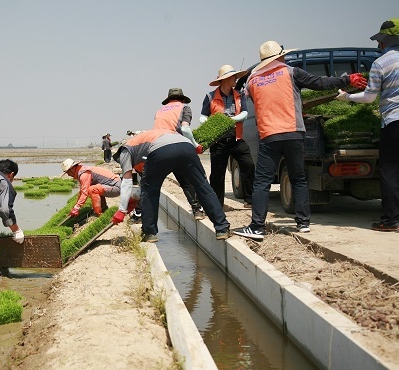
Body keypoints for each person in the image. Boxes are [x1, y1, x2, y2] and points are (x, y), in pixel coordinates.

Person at [233, 41, 368, 241]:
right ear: (279, 56)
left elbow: (259, 101)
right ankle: (303, 223)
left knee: (261, 182)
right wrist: (347, 79)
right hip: (294, 133)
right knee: (298, 178)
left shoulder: (252, 81)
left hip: (269, 135)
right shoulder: (292, 72)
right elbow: (320, 83)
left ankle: (257, 227)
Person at [335, 18, 399, 231]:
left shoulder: (381, 63)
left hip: (394, 122)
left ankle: (391, 220)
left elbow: (370, 98)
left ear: (385, 41)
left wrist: (347, 98)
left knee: (390, 170)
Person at [111, 128, 230, 242]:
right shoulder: (144, 142)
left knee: (150, 192)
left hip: (161, 151)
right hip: (186, 146)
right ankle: (222, 228)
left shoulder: (125, 151)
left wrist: (122, 209)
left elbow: (127, 182)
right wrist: (133, 199)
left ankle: (150, 233)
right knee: (203, 186)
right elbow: (144, 181)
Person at [200, 65, 255, 208]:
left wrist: (232, 120)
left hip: (236, 138)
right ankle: (216, 204)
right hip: (219, 141)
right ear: (224, 80)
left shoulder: (239, 94)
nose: (235, 79)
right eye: (233, 77)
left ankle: (249, 199)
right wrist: (213, 124)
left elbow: (244, 113)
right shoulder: (210, 96)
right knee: (217, 174)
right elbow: (203, 117)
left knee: (248, 164)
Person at [152, 88, 206, 220]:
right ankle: (197, 209)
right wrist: (195, 145)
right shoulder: (184, 107)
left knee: (152, 183)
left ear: (168, 100)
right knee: (191, 179)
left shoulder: (160, 111)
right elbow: (186, 129)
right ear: (182, 98)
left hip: (158, 147)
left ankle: (138, 215)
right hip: (176, 145)